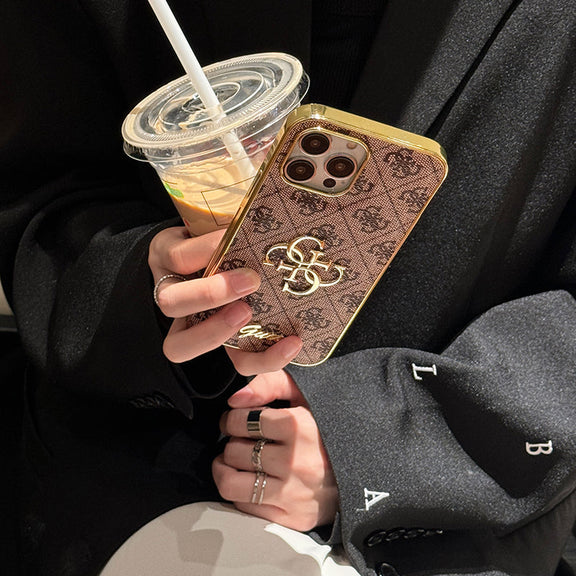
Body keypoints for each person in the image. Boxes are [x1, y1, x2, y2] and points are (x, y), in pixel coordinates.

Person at [1, 1, 575, 575]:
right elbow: (40, 193)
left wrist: (379, 437)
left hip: (459, 501)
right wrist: (145, 285)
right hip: (129, 463)